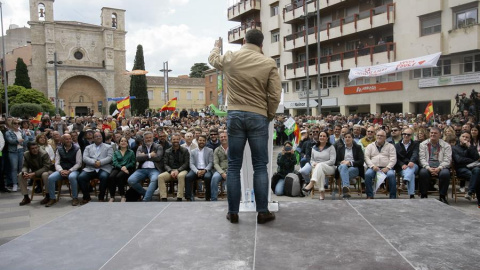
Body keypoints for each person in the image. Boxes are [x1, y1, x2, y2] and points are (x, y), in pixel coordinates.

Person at [209, 29, 281, 224]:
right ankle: (263, 212)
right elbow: (275, 94)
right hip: (258, 115)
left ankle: (233, 211)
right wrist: (270, 114)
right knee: (260, 166)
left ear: (243, 40)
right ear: (262, 45)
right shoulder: (268, 63)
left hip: (234, 115)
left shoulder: (231, 57)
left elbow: (212, 59)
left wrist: (216, 47)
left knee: (233, 166)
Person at [46, 134, 82, 207]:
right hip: (62, 170)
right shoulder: (59, 149)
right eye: (66, 139)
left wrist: (70, 170)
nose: (68, 140)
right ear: (62, 140)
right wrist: (61, 170)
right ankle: (52, 198)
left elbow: (79, 163)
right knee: (51, 178)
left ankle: (75, 197)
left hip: (73, 170)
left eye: (69, 139)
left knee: (72, 177)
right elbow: (57, 162)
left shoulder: (77, 148)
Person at [77, 131, 113, 204]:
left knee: (104, 177)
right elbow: (85, 158)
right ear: (93, 139)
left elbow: (110, 157)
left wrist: (100, 162)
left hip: (104, 167)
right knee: (81, 177)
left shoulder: (108, 146)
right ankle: (86, 197)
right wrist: (94, 162)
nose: (98, 137)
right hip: (91, 168)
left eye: (100, 136)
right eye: (96, 136)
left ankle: (101, 197)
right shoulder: (88, 147)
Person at [418, 127, 452, 204]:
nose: (433, 134)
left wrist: (439, 168)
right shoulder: (423, 144)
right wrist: (428, 167)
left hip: (441, 166)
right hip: (427, 166)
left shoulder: (446, 145)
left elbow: (447, 160)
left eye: (435, 133)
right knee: (422, 173)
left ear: (440, 135)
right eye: (431, 133)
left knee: (445, 174)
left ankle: (442, 196)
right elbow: (422, 159)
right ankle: (424, 195)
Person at [127, 131, 164, 202]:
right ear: (144, 139)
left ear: (153, 138)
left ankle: (146, 199)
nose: (148, 139)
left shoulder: (158, 146)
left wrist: (143, 155)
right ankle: (146, 194)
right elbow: (137, 158)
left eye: (150, 137)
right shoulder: (140, 147)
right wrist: (150, 155)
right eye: (146, 138)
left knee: (154, 179)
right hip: (142, 169)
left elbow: (158, 157)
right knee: (131, 180)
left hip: (154, 169)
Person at [301, 131, 336, 200]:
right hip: (316, 167)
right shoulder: (314, 147)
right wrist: (313, 163)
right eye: (320, 136)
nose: (322, 137)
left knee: (320, 166)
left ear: (327, 138)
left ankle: (311, 183)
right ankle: (321, 192)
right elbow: (311, 160)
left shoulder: (331, 147)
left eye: (324, 136)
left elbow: (332, 161)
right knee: (320, 170)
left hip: (329, 168)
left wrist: (320, 164)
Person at [364, 129, 397, 199]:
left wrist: (388, 167)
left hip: (387, 167)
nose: (379, 137)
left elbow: (393, 159)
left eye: (381, 136)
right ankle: (369, 195)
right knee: (367, 174)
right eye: (378, 135)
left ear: (385, 137)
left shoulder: (391, 146)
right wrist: (372, 166)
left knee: (391, 175)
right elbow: (366, 157)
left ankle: (393, 196)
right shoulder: (370, 146)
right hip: (373, 167)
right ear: (375, 136)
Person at [157, 133, 190, 201]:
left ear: (180, 140)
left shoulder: (185, 150)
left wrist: (178, 170)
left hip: (182, 170)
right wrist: (171, 171)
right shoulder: (167, 151)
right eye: (174, 139)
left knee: (181, 176)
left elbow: (186, 163)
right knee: (160, 177)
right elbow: (165, 164)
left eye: (177, 139)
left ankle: (179, 197)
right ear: (171, 140)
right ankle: (163, 197)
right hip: (170, 170)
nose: (176, 141)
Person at [335, 132, 364, 199]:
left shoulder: (358, 147)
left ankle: (345, 189)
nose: (347, 139)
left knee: (344, 173)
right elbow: (336, 161)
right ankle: (346, 188)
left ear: (352, 138)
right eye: (346, 137)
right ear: (343, 138)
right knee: (343, 167)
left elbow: (361, 161)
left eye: (349, 137)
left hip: (354, 167)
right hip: (342, 166)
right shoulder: (340, 148)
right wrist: (341, 162)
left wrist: (350, 163)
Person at [5, 119, 31, 192]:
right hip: (13, 152)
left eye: (18, 123)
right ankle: (15, 184)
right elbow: (10, 141)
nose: (17, 125)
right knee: (14, 168)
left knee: (22, 168)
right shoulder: (8, 132)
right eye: (15, 123)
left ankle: (22, 184)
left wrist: (20, 142)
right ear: (12, 124)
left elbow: (26, 139)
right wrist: (18, 141)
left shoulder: (22, 131)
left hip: (21, 151)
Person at [452, 132, 480, 201]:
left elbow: (476, 158)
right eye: (463, 136)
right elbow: (458, 160)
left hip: (473, 168)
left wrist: (469, 147)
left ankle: (470, 192)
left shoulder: (472, 147)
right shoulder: (454, 148)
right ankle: (473, 194)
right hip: (461, 169)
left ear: (470, 139)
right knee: (476, 176)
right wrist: (471, 160)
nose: (465, 138)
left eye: (467, 137)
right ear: (459, 138)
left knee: (477, 171)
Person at [185, 135, 214, 201]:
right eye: (200, 140)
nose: (202, 142)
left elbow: (210, 163)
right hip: (196, 169)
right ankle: (189, 197)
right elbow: (191, 164)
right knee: (188, 177)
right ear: (197, 141)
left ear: (206, 142)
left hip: (206, 169)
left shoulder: (210, 150)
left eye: (203, 140)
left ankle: (208, 197)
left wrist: (205, 170)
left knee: (208, 177)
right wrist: (197, 171)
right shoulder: (193, 151)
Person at [108, 137, 136, 202]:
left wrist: (126, 167)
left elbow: (133, 162)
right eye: (121, 141)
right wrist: (121, 168)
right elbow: (114, 162)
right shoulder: (116, 152)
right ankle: (112, 196)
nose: (123, 142)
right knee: (111, 176)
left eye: (125, 141)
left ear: (127, 143)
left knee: (119, 177)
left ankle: (123, 196)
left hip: (128, 169)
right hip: (118, 168)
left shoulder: (131, 152)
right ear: (119, 143)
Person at [394, 128, 419, 199]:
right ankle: (411, 194)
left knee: (412, 167)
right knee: (411, 174)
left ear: (411, 136)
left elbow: (415, 153)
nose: (406, 136)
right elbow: (396, 158)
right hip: (402, 167)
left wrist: (411, 161)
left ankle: (404, 182)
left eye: (408, 134)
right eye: (404, 134)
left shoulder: (415, 144)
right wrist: (402, 164)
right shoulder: (397, 146)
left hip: (413, 165)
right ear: (402, 134)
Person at [211, 131, 229, 201]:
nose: (223, 138)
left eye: (225, 136)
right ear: (219, 138)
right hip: (220, 170)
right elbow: (215, 163)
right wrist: (222, 173)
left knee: (231, 179)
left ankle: (231, 198)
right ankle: (214, 199)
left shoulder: (232, 148)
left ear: (227, 137)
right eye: (221, 137)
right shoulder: (217, 150)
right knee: (214, 178)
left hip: (231, 170)